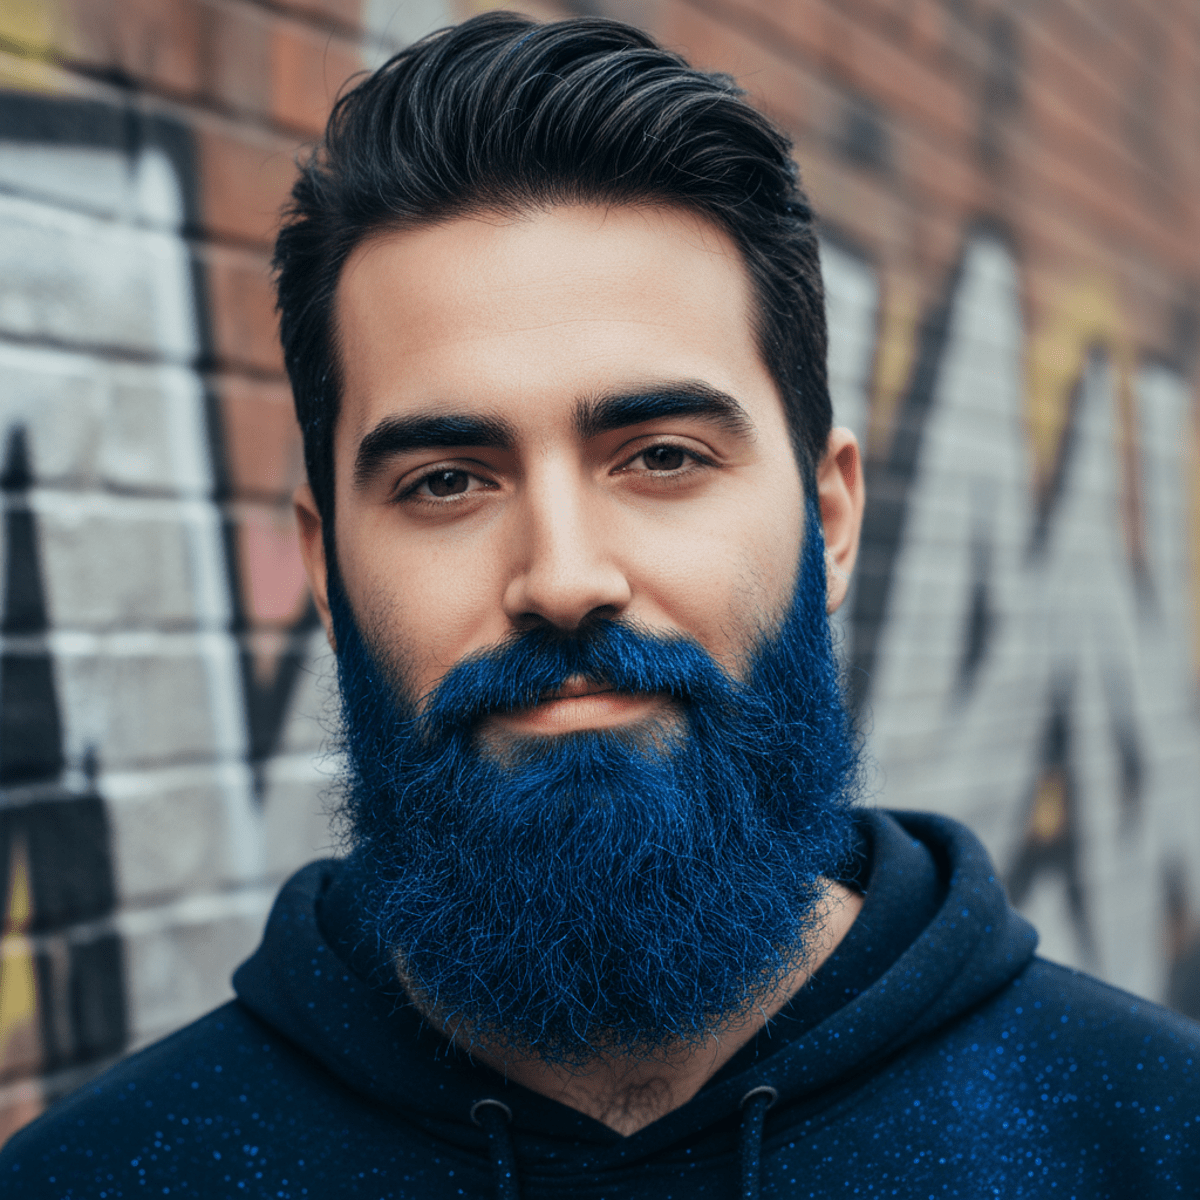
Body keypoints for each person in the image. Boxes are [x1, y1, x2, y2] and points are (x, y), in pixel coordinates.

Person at [2, 12, 1197, 1198]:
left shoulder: (1154, 1137)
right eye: (447, 482)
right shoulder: (97, 1180)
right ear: (326, 572)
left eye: (662, 456)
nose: (565, 578)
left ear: (828, 518)